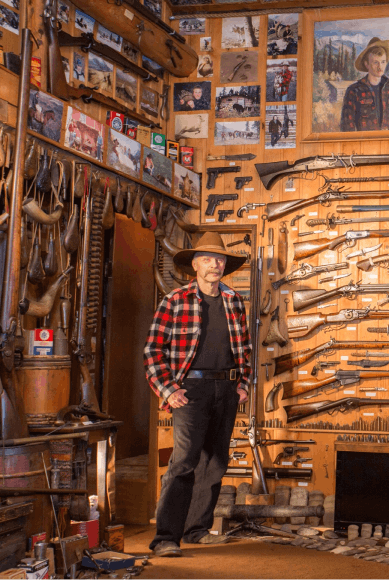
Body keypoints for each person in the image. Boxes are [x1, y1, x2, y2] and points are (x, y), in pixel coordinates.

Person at [144, 232, 250, 558]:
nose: (214, 264)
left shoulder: (234, 301)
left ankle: (197, 530)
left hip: (226, 388)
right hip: (190, 388)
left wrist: (243, 383)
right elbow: (152, 352)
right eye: (207, 258)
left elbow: (244, 350)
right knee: (185, 462)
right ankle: (165, 538)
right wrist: (169, 389)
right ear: (195, 264)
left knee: (215, 462)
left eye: (219, 259)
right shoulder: (174, 301)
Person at [340, 37, 389, 132]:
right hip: (364, 145)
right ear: (367, 64)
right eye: (376, 62)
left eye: (383, 62)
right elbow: (346, 128)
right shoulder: (354, 91)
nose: (380, 67)